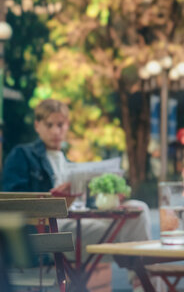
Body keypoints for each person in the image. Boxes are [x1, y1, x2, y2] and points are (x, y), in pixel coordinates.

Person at [2, 99, 153, 290]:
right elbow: (11, 202)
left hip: (79, 225)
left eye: (61, 125)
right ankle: (145, 280)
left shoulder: (69, 164)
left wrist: (109, 200)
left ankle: (143, 282)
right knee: (129, 232)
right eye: (50, 125)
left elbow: (85, 204)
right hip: (49, 232)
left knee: (138, 208)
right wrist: (52, 200)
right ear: (37, 125)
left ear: (67, 126)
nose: (56, 131)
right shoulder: (22, 155)